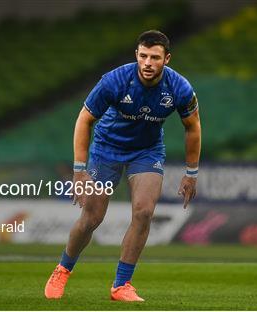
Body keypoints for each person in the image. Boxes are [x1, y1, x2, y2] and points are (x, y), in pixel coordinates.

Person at [44, 30, 201, 302]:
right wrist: (80, 170)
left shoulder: (180, 88)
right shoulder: (114, 80)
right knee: (91, 218)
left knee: (144, 212)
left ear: (167, 59)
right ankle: (62, 269)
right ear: (136, 55)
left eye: (155, 57)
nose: (148, 63)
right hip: (107, 149)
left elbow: (193, 127)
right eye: (143, 56)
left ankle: (121, 285)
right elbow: (84, 120)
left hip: (147, 151)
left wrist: (191, 173)